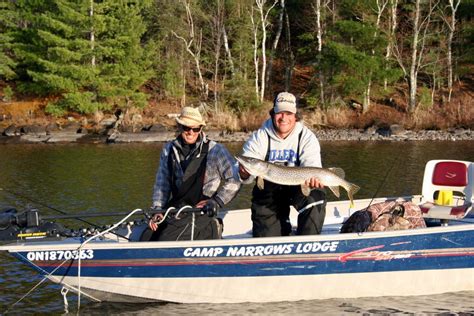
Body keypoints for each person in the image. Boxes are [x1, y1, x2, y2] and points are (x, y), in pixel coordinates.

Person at [145, 106, 241, 241]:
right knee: (147, 236)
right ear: (179, 127)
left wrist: (216, 201)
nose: (191, 132)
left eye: (195, 129)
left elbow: (235, 180)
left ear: (201, 129)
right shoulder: (168, 149)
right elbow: (162, 184)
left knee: (166, 239)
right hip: (177, 209)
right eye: (186, 128)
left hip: (202, 211)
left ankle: (213, 226)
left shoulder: (216, 150)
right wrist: (158, 209)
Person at [238, 92, 326, 237]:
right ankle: (281, 228)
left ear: (295, 115)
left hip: (299, 187)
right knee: (267, 239)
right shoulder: (260, 136)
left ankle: (308, 244)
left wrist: (313, 181)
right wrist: (244, 173)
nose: (283, 118)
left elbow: (312, 165)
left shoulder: (306, 137)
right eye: (280, 113)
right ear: (273, 113)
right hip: (270, 191)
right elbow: (246, 174)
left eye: (288, 113)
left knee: (316, 196)